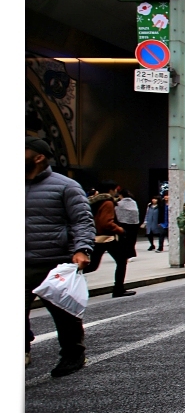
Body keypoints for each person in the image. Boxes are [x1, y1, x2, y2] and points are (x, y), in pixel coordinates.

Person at [25, 137, 95, 376]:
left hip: (53, 260)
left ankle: (73, 355)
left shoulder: (65, 186)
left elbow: (82, 220)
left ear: (38, 156)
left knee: (64, 314)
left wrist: (82, 248)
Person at [87, 180, 135, 298]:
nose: (116, 192)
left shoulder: (95, 201)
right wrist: (120, 230)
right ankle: (118, 289)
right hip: (107, 237)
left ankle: (66, 279)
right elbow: (106, 223)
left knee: (92, 265)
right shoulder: (108, 202)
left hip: (97, 236)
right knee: (121, 261)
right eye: (115, 190)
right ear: (111, 190)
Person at [114, 188, 140, 261]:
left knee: (123, 240)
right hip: (134, 223)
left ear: (121, 195)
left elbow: (116, 213)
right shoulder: (133, 202)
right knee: (132, 240)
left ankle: (125, 254)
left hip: (123, 223)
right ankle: (131, 254)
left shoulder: (119, 203)